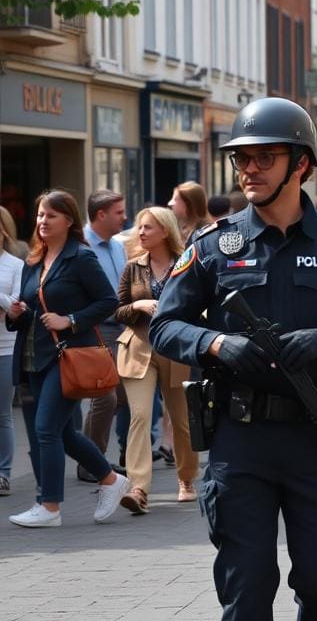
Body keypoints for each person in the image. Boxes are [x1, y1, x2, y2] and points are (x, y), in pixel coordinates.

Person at [149, 98, 317, 620]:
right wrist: (216, 344)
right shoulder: (213, 244)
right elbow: (165, 324)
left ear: (301, 164)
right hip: (239, 440)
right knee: (245, 593)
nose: (249, 169)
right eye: (241, 159)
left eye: (264, 157)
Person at [5, 190, 129, 527]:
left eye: (51, 216)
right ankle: (110, 479)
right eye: (40, 215)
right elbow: (31, 311)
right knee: (60, 433)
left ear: (69, 220)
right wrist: (17, 312)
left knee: (47, 430)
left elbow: (107, 302)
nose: (43, 222)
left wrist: (70, 320)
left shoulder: (81, 258)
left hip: (67, 355)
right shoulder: (34, 260)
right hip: (33, 358)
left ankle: (50, 507)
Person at [114, 207, 198, 515]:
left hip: (176, 350)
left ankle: (187, 479)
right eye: (139, 228)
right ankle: (138, 489)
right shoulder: (133, 267)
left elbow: (199, 305)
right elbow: (118, 310)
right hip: (138, 349)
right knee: (140, 416)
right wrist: (139, 303)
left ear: (165, 230)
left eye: (148, 227)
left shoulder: (185, 264)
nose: (141, 233)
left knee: (181, 421)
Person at [78, 189, 128, 482]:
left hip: (121, 328)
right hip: (95, 330)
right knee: (105, 397)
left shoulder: (118, 246)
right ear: (101, 215)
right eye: (119, 213)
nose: (125, 217)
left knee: (120, 396)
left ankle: (95, 458)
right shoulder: (81, 247)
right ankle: (91, 464)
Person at [0, 221, 25, 495]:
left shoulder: (15, 265)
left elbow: (17, 304)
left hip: (6, 348)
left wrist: (5, 303)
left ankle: (3, 473)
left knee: (3, 415)